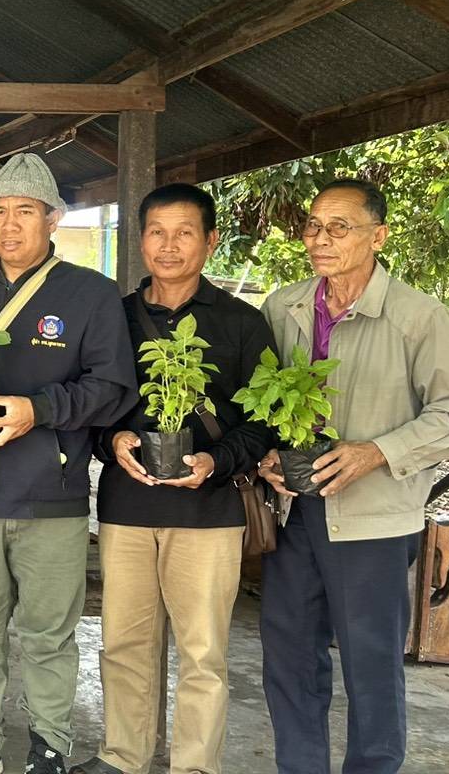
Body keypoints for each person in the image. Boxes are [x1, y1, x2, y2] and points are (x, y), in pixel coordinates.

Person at [256, 179, 449, 774]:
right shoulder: (284, 306)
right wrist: (267, 455)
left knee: (371, 664)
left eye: (339, 227)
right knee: (289, 658)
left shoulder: (419, 317)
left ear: (377, 236)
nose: (321, 239)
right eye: (313, 226)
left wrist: (375, 452)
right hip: (295, 510)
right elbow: (259, 400)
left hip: (374, 520)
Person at [0, 153, 135, 774]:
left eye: (25, 211)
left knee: (49, 634)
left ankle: (49, 745)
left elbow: (113, 388)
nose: (10, 225)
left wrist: (37, 410)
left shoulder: (91, 294)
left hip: (55, 491)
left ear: (54, 219)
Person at [70, 183, 276, 774]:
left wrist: (217, 462)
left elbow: (262, 423)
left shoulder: (241, 323)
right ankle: (123, 756)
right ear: (140, 240)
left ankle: (194, 765)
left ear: (211, 241)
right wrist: (112, 441)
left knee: (203, 653)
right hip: (126, 508)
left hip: (208, 514)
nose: (169, 245)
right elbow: (90, 401)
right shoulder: (112, 317)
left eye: (185, 232)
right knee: (125, 643)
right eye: (157, 231)